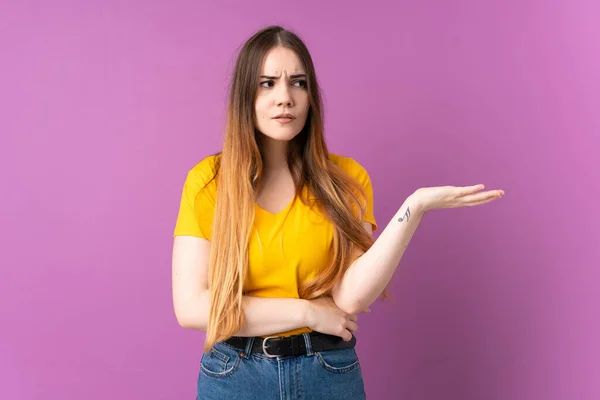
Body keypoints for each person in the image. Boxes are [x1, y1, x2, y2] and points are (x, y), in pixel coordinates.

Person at [172, 25, 504, 400]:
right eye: (267, 83)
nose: (285, 98)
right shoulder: (208, 181)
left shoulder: (347, 180)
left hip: (326, 373)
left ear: (311, 95)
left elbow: (350, 299)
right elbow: (192, 308)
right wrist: (308, 313)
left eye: (298, 83)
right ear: (244, 96)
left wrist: (415, 207)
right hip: (234, 375)